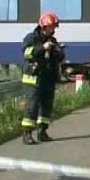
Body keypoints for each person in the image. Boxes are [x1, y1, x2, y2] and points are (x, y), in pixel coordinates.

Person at [21, 12, 65, 145]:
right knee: (32, 107)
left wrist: (58, 51)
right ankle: (27, 134)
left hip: (48, 79)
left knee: (46, 107)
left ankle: (42, 132)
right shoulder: (32, 38)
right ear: (43, 26)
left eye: (54, 27)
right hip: (33, 79)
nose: (53, 30)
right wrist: (42, 48)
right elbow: (26, 53)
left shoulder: (52, 40)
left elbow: (60, 58)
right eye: (51, 27)